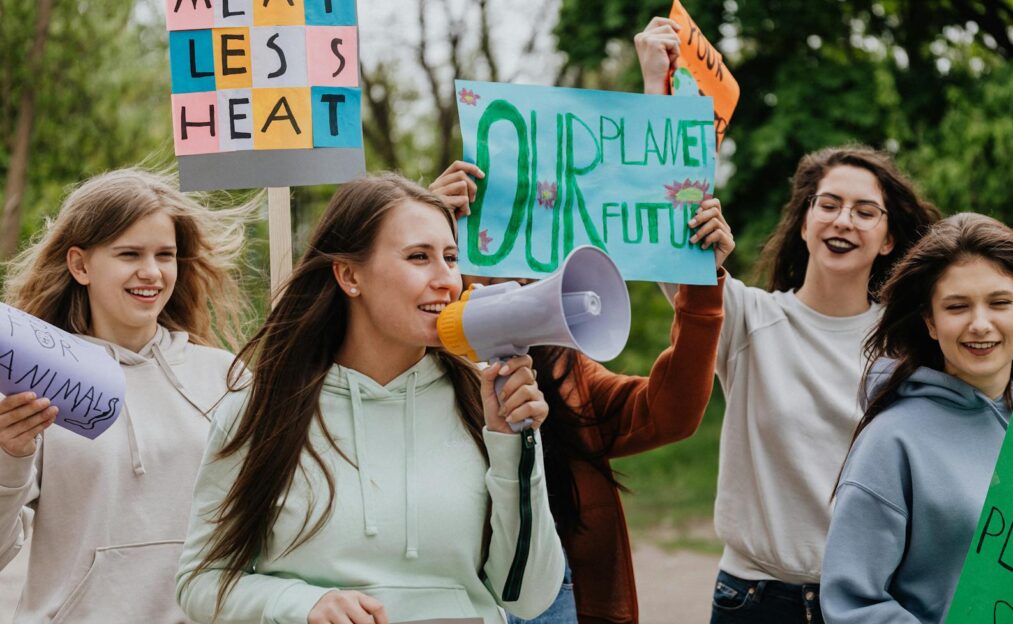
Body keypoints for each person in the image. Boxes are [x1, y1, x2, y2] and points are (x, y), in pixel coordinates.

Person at [636, 17, 942, 622]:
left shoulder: (910, 342)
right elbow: (667, 239)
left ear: (887, 239)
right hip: (754, 599)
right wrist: (656, 86)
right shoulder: (748, 319)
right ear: (804, 224)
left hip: (868, 603)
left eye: (864, 211)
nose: (843, 221)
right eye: (827, 205)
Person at [175, 173, 564, 624]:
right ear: (348, 274)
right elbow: (201, 581)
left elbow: (529, 597)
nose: (446, 280)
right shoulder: (261, 411)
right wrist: (300, 605)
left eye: (451, 257)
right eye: (419, 257)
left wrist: (515, 444)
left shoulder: (484, 402)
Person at [433, 163, 734, 624]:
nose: (508, 273)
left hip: (552, 594)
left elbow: (668, 414)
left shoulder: (565, 374)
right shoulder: (415, 359)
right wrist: (426, 219)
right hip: (445, 590)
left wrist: (700, 288)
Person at [820, 213, 1013, 623]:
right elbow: (851, 604)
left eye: (999, 302)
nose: (980, 324)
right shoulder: (890, 442)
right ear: (931, 322)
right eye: (957, 306)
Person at [0, 168, 250, 622]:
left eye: (165, 255)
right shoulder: (32, 384)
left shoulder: (225, 377)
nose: (151, 272)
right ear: (80, 265)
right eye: (129, 253)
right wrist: (8, 456)